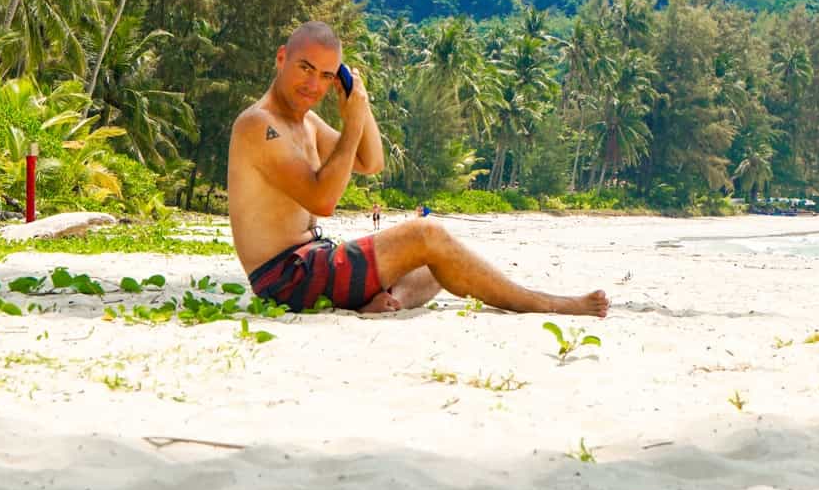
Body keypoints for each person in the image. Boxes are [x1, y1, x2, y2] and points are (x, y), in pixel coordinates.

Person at [226, 21, 609, 317]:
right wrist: (353, 123)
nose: (314, 84)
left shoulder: (305, 123)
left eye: (327, 76)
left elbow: (369, 162)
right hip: (288, 278)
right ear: (281, 58)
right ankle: (545, 303)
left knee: (441, 265)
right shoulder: (260, 124)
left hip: (315, 262)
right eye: (305, 68)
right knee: (428, 234)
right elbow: (324, 200)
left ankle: (383, 302)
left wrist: (360, 105)